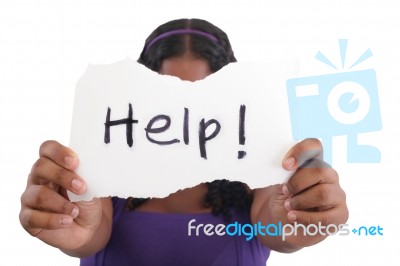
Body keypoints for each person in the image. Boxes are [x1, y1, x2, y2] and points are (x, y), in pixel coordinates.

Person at [19, 18, 348, 266]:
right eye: (169, 97)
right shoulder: (105, 176)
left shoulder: (257, 181)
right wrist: (66, 222)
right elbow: (87, 233)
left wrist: (300, 215)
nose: (184, 118)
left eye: (200, 98)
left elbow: (279, 228)